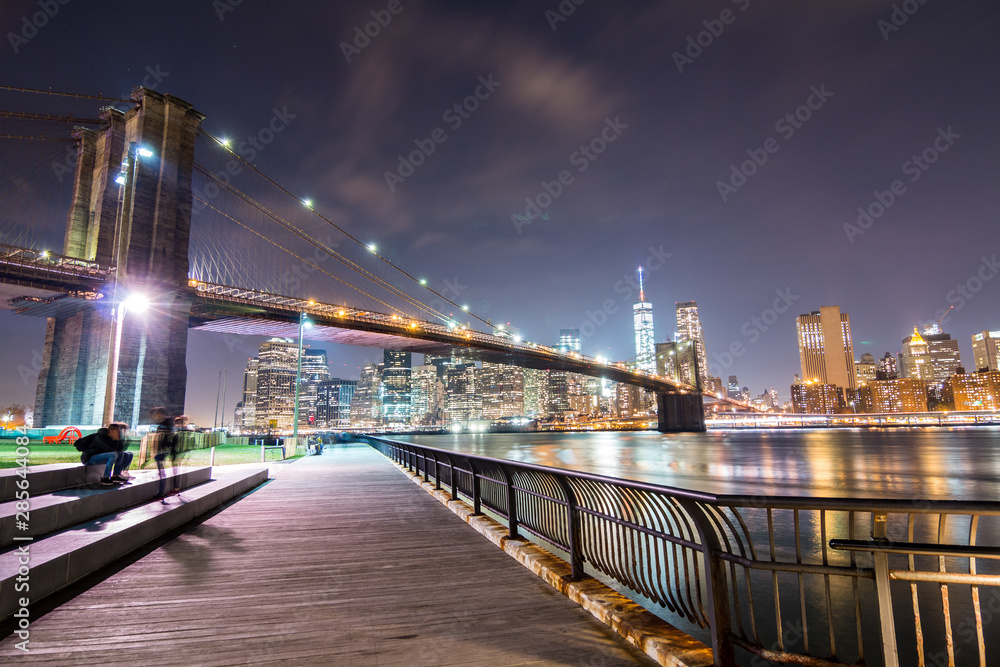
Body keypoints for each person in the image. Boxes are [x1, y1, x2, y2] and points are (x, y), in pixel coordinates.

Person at [151, 407, 178, 500]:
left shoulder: (165, 424)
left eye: (156, 414)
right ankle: (168, 490)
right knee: (162, 473)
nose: (155, 416)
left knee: (162, 473)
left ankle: (161, 493)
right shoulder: (167, 423)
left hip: (164, 451)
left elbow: (167, 438)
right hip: (165, 451)